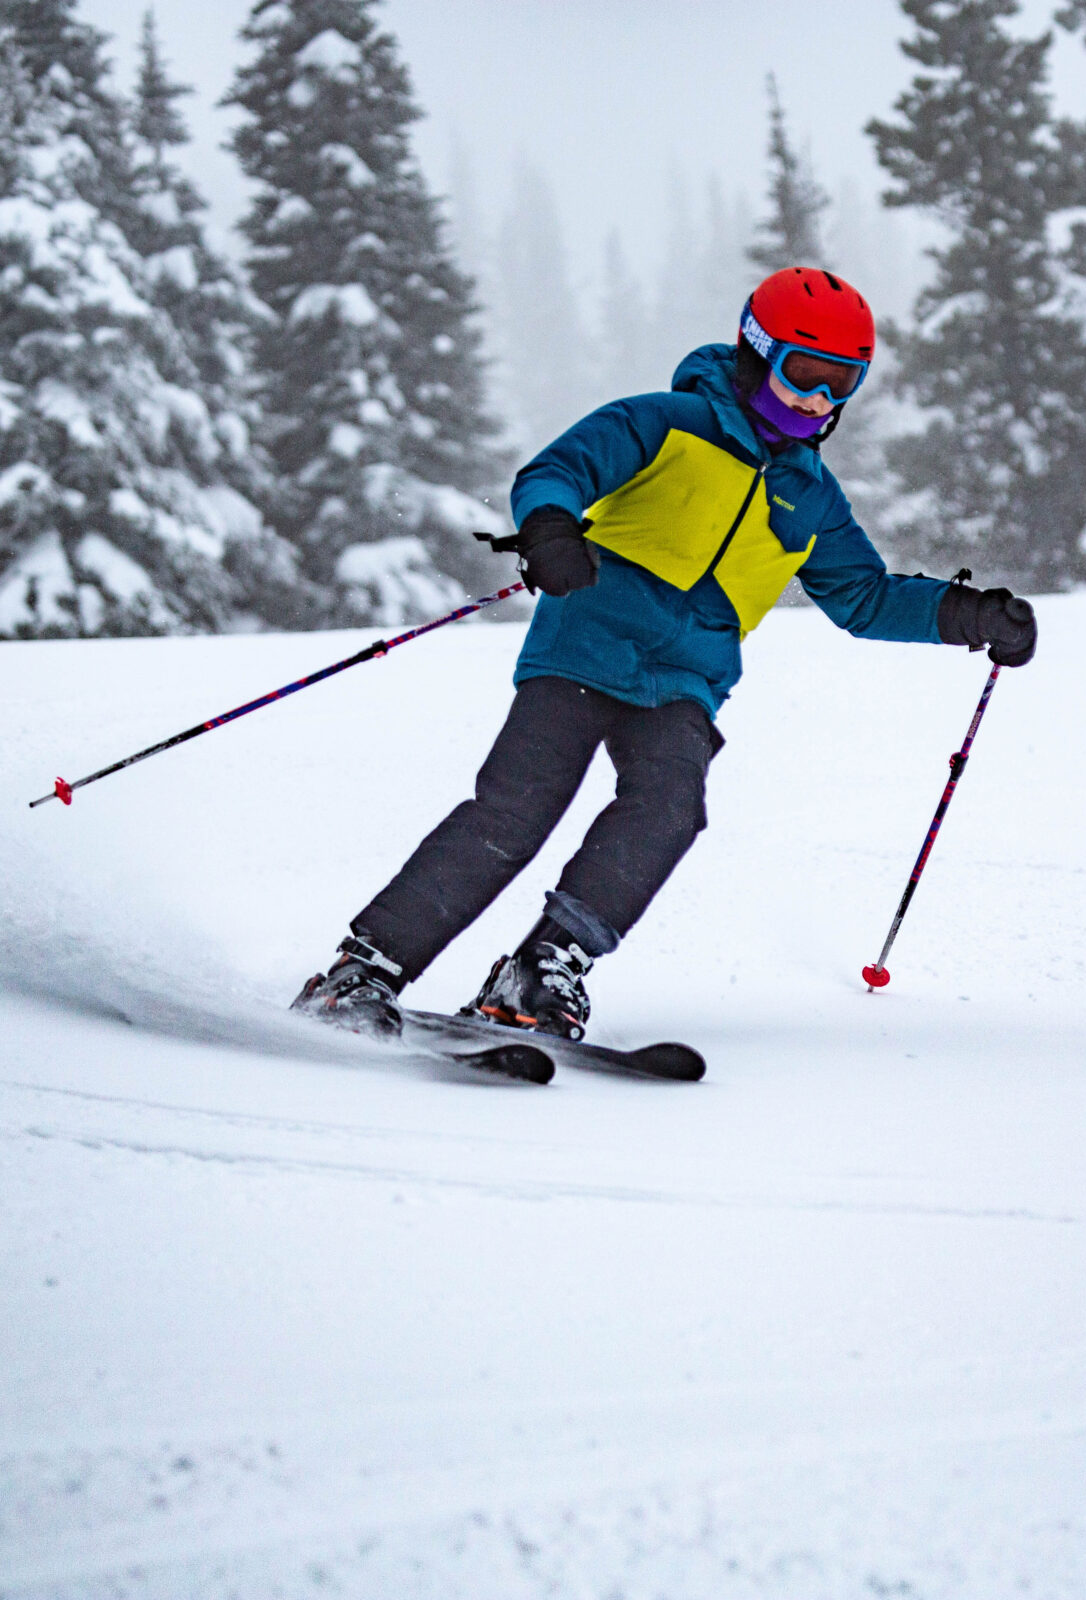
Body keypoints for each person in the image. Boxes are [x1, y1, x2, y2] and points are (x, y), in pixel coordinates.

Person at [293, 267, 1037, 1039]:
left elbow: (866, 598)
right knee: (516, 809)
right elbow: (556, 471)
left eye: (840, 384)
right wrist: (550, 530)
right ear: (754, 355)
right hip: (584, 645)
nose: (817, 402)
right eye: (802, 376)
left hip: (686, 680)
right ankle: (365, 968)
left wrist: (965, 613)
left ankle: (543, 966)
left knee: (669, 811)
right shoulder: (666, 422)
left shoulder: (811, 495)